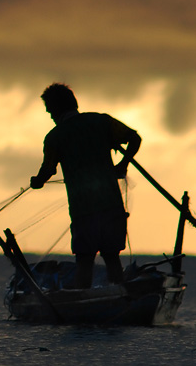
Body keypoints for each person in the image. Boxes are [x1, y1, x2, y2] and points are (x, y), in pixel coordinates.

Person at [29, 83, 141, 288]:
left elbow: (48, 170)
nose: (49, 114)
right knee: (112, 258)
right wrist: (122, 165)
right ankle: (119, 295)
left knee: (84, 261)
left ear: (57, 109)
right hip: (111, 205)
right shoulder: (101, 122)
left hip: (83, 210)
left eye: (50, 110)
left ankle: (82, 303)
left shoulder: (55, 137)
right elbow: (134, 138)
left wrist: (37, 181)